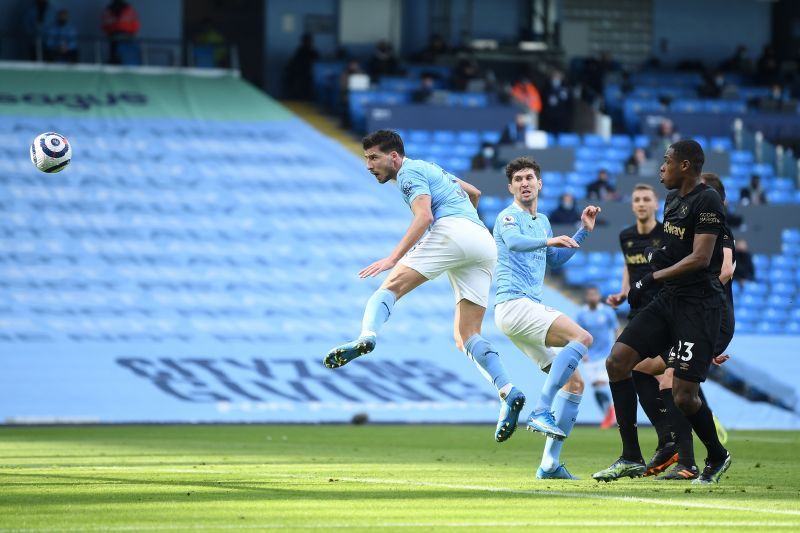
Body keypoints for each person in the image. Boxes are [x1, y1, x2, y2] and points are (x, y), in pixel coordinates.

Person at [324, 130, 525, 444]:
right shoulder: (432, 168)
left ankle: (367, 337)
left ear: (394, 156)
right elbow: (475, 192)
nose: (368, 165)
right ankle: (508, 391)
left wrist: (393, 258)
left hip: (453, 231)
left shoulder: (408, 173)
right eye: (366, 158)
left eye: (373, 157)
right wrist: (465, 223)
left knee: (388, 288)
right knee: (467, 336)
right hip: (482, 242)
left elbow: (424, 216)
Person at [594, 140, 732, 485]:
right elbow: (672, 250)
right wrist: (646, 277)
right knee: (618, 361)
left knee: (685, 395)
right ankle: (630, 456)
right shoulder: (673, 200)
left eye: (666, 161)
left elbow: (701, 259)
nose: (661, 168)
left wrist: (651, 277)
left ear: (685, 165)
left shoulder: (708, 200)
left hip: (698, 306)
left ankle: (716, 454)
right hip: (669, 300)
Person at [493, 156, 601, 479]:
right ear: (511, 187)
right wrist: (548, 239)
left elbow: (553, 259)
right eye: (518, 179)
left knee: (576, 382)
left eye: (530, 178)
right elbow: (514, 244)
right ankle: (541, 408)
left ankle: (549, 464)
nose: (525, 183)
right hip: (513, 305)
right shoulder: (508, 217)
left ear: (540, 184)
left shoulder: (542, 222)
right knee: (582, 337)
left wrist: (582, 232)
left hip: (526, 309)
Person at [605, 184, 679, 478]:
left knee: (671, 380)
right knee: (640, 372)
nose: (641, 204)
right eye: (636, 199)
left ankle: (679, 443)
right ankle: (671, 442)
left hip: (663, 315)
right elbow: (629, 266)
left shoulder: (665, 235)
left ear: (655, 203)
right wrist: (623, 292)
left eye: (646, 199)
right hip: (638, 315)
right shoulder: (626, 236)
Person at [575, 286, 619, 429]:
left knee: (601, 383)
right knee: (595, 387)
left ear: (599, 296)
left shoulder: (607, 312)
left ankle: (611, 410)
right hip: (590, 356)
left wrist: (617, 348)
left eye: (595, 294)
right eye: (590, 294)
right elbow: (578, 333)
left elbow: (615, 329)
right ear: (587, 297)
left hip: (605, 354)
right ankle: (608, 414)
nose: (592, 297)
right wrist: (583, 352)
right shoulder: (582, 314)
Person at [101, 0, 141, 65]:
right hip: (117, 37)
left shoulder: (127, 9)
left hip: (125, 37)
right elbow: (105, 25)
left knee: (127, 55)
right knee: (116, 55)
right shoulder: (111, 10)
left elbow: (135, 23)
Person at [284, 32, 320, 100]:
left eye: (309, 41)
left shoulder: (313, 52)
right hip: (300, 76)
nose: (308, 43)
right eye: (306, 41)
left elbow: (318, 65)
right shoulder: (300, 51)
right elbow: (292, 65)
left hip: (310, 76)